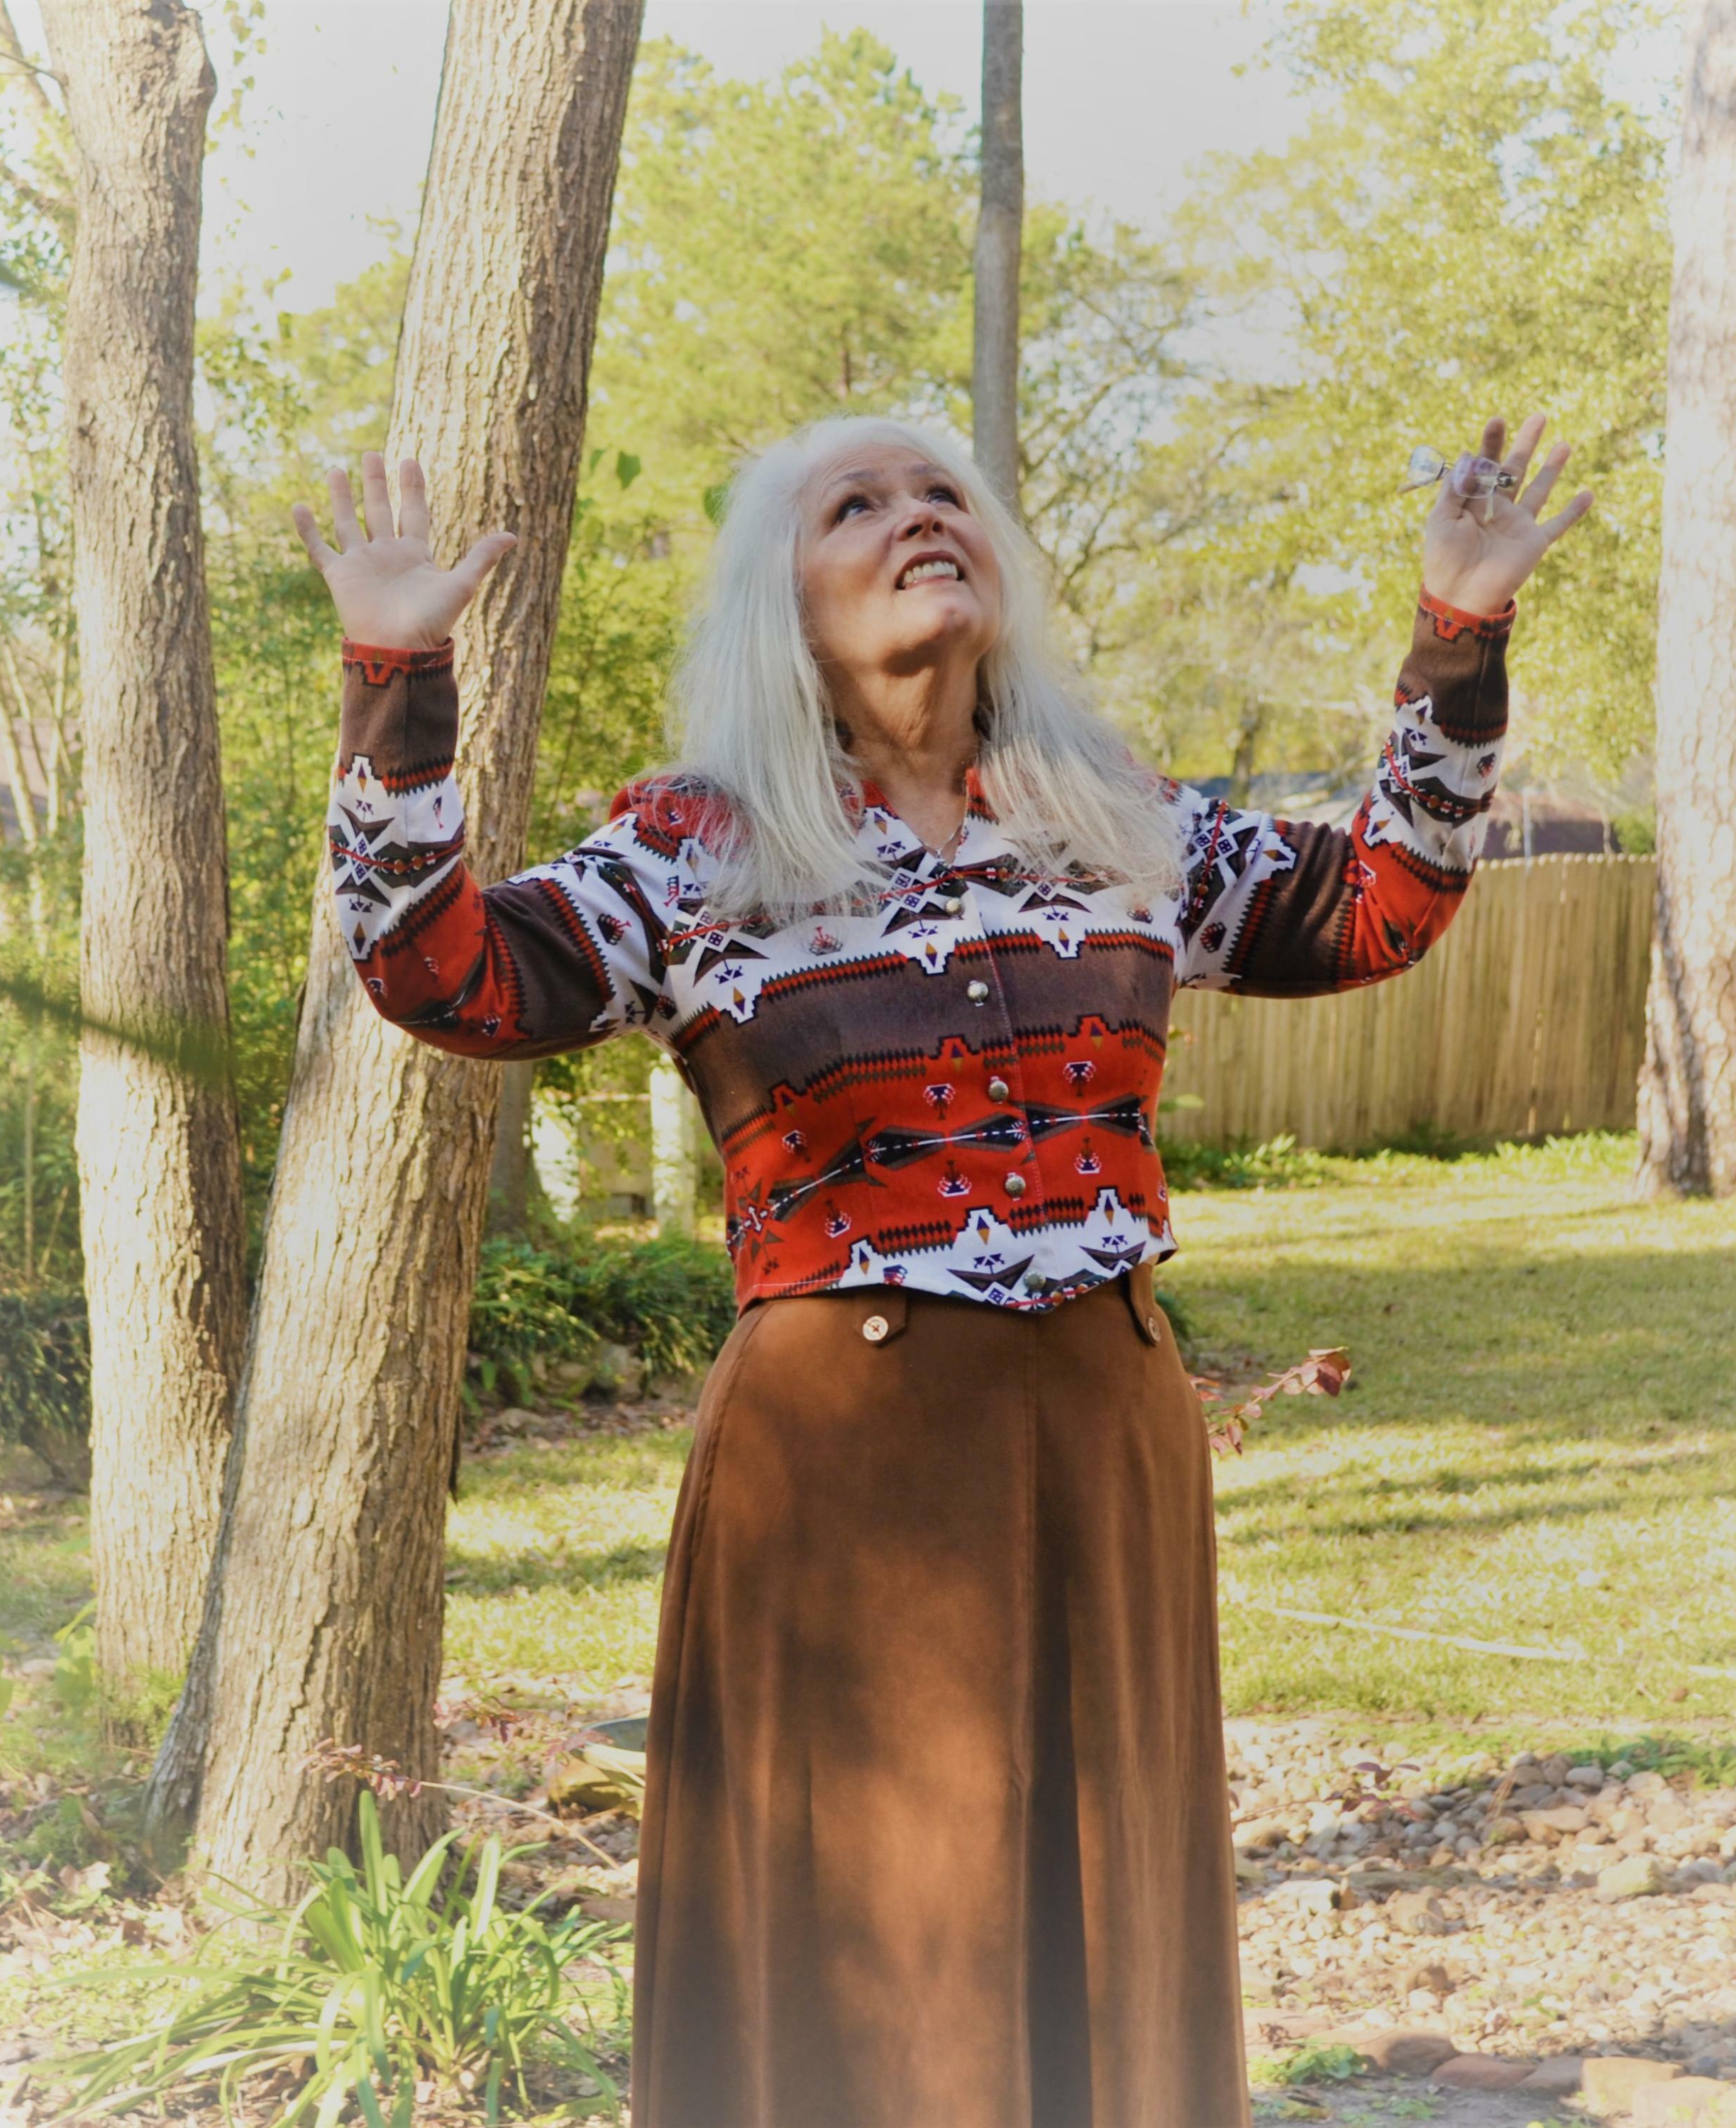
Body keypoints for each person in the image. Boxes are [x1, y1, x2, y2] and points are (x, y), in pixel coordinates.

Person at [296, 412, 1591, 2128]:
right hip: (847, 1471)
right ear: (786, 601)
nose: (917, 518)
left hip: (1111, 1442)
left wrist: (1458, 632)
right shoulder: (695, 850)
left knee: (1100, 1921)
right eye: (857, 504)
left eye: (942, 495)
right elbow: (435, 969)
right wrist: (397, 677)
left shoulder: (1110, 816)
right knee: (878, 1941)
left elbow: (1375, 905)